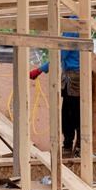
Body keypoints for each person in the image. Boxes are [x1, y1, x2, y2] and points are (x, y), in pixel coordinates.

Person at [29, 27, 81, 156]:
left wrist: (40, 69)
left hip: (73, 78)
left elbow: (61, 55)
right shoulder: (76, 23)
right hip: (75, 76)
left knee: (70, 114)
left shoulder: (71, 26)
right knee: (74, 113)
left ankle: (70, 146)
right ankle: (77, 146)